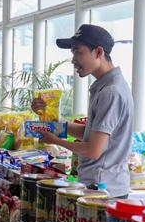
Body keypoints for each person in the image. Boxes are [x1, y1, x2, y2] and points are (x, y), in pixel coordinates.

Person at [33, 24, 133, 198]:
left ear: (99, 52)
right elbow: (88, 134)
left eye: (78, 52)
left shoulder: (110, 92)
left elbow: (94, 150)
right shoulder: (106, 87)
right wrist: (52, 120)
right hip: (101, 187)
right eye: (72, 53)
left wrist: (55, 140)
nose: (73, 60)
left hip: (103, 191)